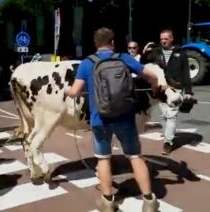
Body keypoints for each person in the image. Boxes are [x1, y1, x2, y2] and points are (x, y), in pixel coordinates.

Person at [65, 27, 159, 212]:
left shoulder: (87, 63)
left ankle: (108, 201)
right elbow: (152, 76)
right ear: (113, 42)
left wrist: (67, 90)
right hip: (125, 117)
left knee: (103, 159)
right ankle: (149, 201)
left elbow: (75, 92)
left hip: (100, 119)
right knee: (135, 156)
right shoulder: (124, 58)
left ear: (95, 44)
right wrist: (155, 87)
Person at [143, 29, 194, 155]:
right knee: (165, 115)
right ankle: (168, 136)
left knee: (171, 115)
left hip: (175, 88)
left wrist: (188, 91)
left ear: (171, 39)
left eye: (165, 39)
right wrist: (144, 52)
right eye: (161, 39)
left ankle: (168, 142)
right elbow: (143, 64)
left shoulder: (180, 52)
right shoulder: (156, 52)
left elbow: (185, 73)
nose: (163, 41)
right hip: (161, 88)